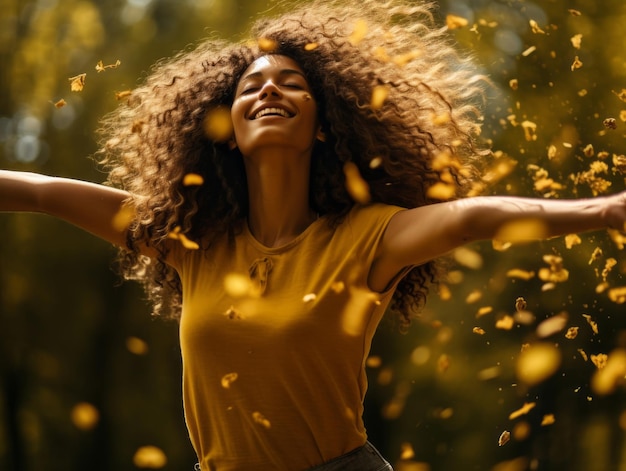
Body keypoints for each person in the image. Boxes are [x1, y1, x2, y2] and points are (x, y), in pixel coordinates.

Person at [1, 0, 625, 469]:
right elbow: (37, 192)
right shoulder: (190, 242)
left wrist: (603, 211)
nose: (270, 88)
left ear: (324, 127)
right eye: (251, 87)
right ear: (226, 128)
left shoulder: (367, 238)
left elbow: (472, 218)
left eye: (292, 82)